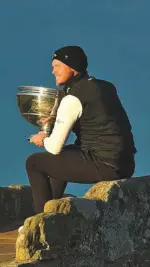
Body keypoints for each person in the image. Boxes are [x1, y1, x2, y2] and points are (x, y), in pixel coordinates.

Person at [22, 45, 137, 225]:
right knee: (65, 155)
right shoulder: (105, 87)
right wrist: (57, 117)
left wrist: (43, 138)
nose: (53, 71)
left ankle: (40, 223)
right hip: (125, 164)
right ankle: (51, 208)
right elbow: (96, 119)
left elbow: (54, 147)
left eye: (57, 66)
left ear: (72, 67)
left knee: (34, 163)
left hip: (103, 165)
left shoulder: (73, 98)